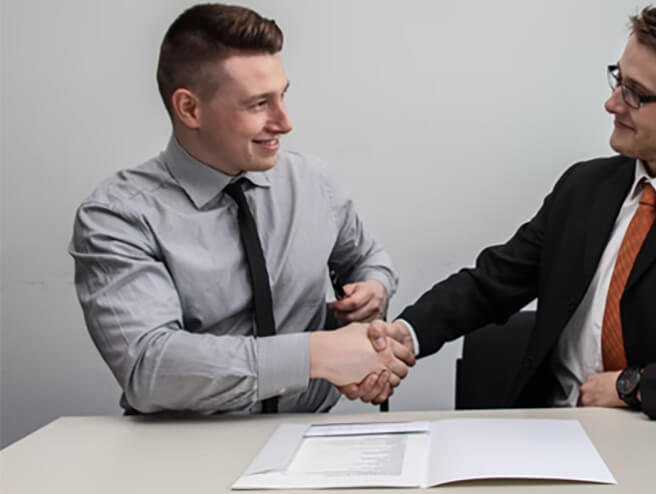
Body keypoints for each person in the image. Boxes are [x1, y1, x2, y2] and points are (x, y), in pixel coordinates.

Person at [358, 4, 656, 434]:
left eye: (637, 95)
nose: (613, 104)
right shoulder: (585, 188)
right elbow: (493, 283)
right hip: (546, 434)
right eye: (618, 80)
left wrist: (637, 386)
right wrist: (406, 335)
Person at [69, 3, 411, 415]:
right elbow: (150, 369)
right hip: (182, 451)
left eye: (283, 96)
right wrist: (314, 354)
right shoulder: (117, 216)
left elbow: (367, 259)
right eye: (258, 104)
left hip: (311, 436)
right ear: (190, 109)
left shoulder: (313, 182)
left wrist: (372, 290)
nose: (285, 122)